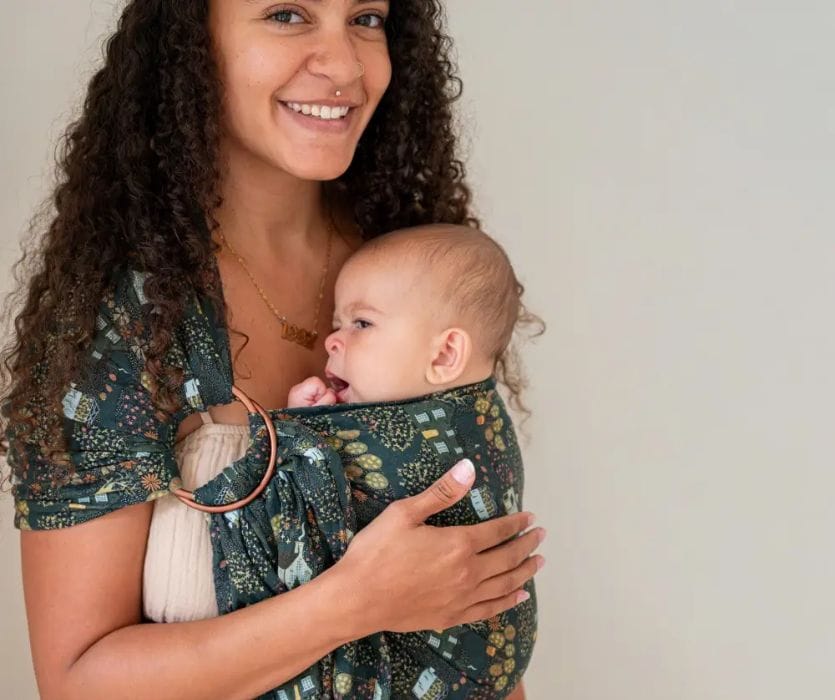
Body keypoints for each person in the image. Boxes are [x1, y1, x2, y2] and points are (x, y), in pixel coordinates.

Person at [2, 2, 545, 699]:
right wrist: (353, 603)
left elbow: (485, 633)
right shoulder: (126, 319)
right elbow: (77, 684)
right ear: (191, 41)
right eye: (287, 14)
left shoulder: (417, 262)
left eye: (367, 18)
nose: (344, 64)